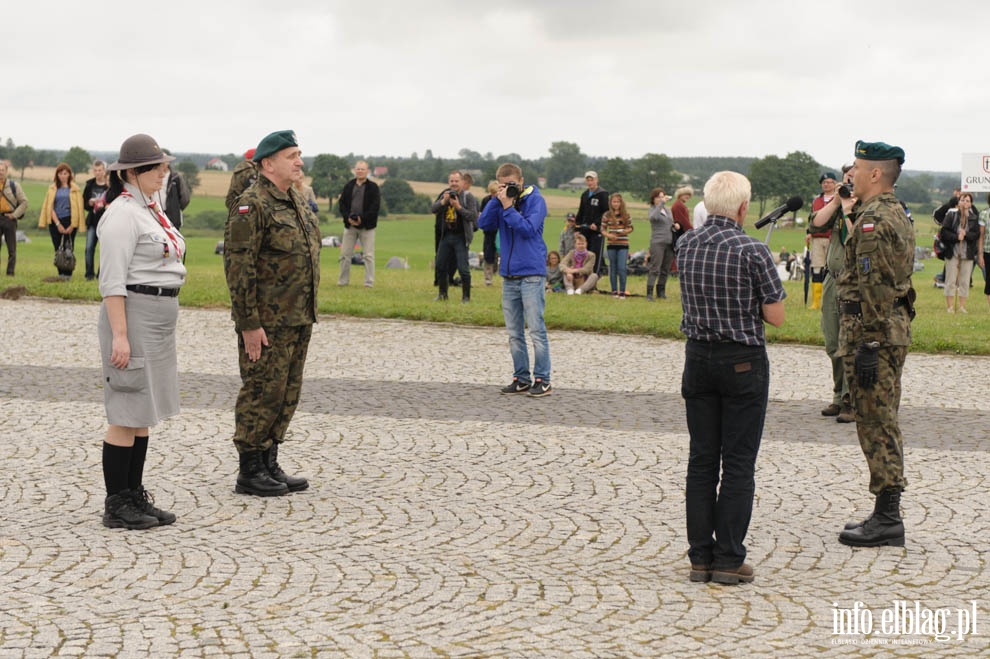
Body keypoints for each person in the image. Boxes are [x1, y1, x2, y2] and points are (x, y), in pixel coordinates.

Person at [679, 171, 785, 585]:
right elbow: (775, 317)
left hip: (698, 358)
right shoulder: (753, 250)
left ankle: (699, 558)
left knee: (702, 460)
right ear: (743, 208)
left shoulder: (686, 243)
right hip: (742, 361)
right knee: (738, 463)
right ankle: (728, 558)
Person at [224, 130, 321, 497]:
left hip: (298, 316)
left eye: (299, 154)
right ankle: (249, 469)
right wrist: (249, 323)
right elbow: (239, 268)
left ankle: (269, 460)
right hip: (267, 321)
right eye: (291, 155)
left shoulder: (293, 199)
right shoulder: (253, 204)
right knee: (262, 390)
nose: (299, 161)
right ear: (268, 164)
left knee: (286, 392)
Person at [97, 133, 187, 529]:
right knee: (125, 409)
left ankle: (135, 494)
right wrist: (120, 335)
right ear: (132, 173)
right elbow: (112, 282)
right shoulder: (121, 214)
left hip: (156, 317)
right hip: (131, 314)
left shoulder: (151, 208)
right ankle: (117, 504)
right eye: (156, 167)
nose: (163, 172)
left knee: (143, 411)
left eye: (164, 165)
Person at [836, 140, 914, 548]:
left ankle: (888, 518)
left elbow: (876, 287)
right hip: (886, 332)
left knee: (876, 421)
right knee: (881, 418)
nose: (851, 174)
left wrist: (867, 343)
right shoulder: (887, 212)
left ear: (876, 174)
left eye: (858, 168)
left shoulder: (875, 222)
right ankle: (885, 511)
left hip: (875, 335)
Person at [477, 162, 551, 397]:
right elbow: (483, 224)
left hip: (531, 274)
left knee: (536, 330)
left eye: (511, 184)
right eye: (503, 184)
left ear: (521, 181)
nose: (508, 188)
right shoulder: (500, 202)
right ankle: (521, 377)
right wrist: (496, 201)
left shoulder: (536, 200)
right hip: (509, 276)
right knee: (514, 333)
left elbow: (528, 229)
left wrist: (509, 207)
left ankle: (543, 379)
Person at [807, 165, 855, 424]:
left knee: (852, 344)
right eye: (848, 178)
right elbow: (816, 224)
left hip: (857, 284)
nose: (851, 183)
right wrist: (838, 199)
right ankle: (839, 395)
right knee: (833, 342)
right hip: (833, 279)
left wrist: (850, 206)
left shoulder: (870, 205)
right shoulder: (839, 202)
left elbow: (857, 236)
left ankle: (851, 398)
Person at [431, 170, 478, 302]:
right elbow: (433, 209)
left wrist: (458, 207)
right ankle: (442, 294)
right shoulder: (445, 195)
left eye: (456, 181)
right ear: (448, 182)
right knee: (440, 265)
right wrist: (443, 202)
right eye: (451, 181)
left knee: (463, 268)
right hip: (446, 236)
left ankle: (466, 297)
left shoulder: (468, 197)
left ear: (462, 182)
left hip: (461, 236)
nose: (454, 184)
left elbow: (473, 216)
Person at [337, 160, 381, 288]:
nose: (360, 171)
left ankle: (369, 283)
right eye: (358, 169)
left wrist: (362, 219)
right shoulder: (349, 186)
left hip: (367, 227)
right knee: (345, 255)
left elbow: (375, 207)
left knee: (368, 255)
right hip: (350, 226)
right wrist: (347, 218)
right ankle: (343, 281)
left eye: (362, 169)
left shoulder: (373, 187)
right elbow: (342, 204)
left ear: (367, 171)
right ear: (354, 170)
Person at [38, 163, 85, 279]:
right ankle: (60, 274)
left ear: (69, 175)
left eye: (65, 173)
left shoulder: (75, 189)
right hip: (55, 221)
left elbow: (78, 209)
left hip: (70, 221)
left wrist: (72, 225)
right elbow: (49, 207)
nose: (63, 176)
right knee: (58, 248)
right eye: (60, 173)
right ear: (57, 175)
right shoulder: (52, 189)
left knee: (68, 248)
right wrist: (57, 223)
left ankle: (68, 274)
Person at [939, 192, 979, 313]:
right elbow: (944, 232)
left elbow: (976, 234)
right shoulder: (951, 215)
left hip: (967, 254)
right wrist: (957, 237)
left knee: (965, 280)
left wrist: (966, 235)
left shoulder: (973, 218)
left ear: (970, 204)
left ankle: (961, 306)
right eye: (963, 200)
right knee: (950, 279)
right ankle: (950, 306)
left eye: (967, 201)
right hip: (953, 253)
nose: (965, 203)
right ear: (959, 202)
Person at [806, 173, 837, 309]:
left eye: (830, 182)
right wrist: (809, 233)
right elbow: (812, 219)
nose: (827, 184)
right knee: (817, 267)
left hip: (832, 238)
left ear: (835, 183)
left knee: (830, 269)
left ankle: (829, 299)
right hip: (817, 238)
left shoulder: (838, 199)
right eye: (824, 182)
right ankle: (816, 302)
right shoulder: (816, 201)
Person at [574, 171, 608, 279]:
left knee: (595, 255)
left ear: (597, 180)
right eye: (588, 180)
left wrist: (597, 224)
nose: (590, 182)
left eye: (592, 180)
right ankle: (583, 278)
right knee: (584, 254)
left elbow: (606, 212)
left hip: (596, 230)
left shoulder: (602, 194)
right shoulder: (584, 195)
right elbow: (581, 211)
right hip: (585, 229)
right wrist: (577, 227)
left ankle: (594, 278)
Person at [601, 192, 634, 297]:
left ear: (621, 203)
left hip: (623, 244)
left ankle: (622, 291)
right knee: (613, 267)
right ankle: (614, 290)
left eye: (618, 202)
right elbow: (602, 229)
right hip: (611, 244)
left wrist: (625, 231)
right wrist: (608, 235)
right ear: (611, 203)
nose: (616, 204)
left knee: (622, 267)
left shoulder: (626, 215)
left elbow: (631, 227)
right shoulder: (607, 215)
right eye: (614, 202)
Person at [83, 160, 111, 280]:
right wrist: (89, 203)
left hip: (106, 222)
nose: (98, 173)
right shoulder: (89, 185)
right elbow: (84, 204)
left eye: (100, 170)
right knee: (89, 248)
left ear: (104, 171)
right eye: (95, 170)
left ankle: (101, 274)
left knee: (104, 249)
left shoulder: (109, 186)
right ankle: (89, 274)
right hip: (93, 221)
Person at [0, 161, 28, 276]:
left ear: (6, 172)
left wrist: (14, 215)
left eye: (2, 170)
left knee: (12, 249)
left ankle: (10, 273)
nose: (0, 172)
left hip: (9, 218)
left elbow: (24, 202)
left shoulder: (13, 185)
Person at [646, 187, 674, 300]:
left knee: (665, 268)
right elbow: (653, 218)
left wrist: (674, 225)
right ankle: (649, 292)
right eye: (658, 197)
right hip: (657, 242)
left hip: (669, 241)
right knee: (655, 268)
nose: (661, 199)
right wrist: (661, 204)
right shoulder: (652, 209)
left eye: (662, 196)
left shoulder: (667, 210)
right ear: (653, 199)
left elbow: (669, 222)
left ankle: (661, 291)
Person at [153, 157, 191, 230]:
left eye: (164, 161)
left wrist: (175, 208)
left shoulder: (176, 178)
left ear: (168, 163)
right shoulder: (152, 176)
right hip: (155, 213)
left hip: (172, 217)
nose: (162, 164)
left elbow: (185, 198)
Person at [479, 181, 500, 285]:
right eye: (492, 193)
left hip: (500, 232)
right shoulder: (485, 201)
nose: (494, 195)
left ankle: (504, 275)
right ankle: (488, 278)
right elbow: (481, 215)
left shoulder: (503, 201)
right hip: (488, 232)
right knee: (488, 255)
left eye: (495, 192)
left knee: (501, 254)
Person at [225, 148, 259, 212]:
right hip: (243, 205)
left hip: (234, 203)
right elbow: (253, 191)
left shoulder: (240, 168)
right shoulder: (250, 171)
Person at [980, 194, 990, 310]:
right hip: (988, 251)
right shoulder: (984, 214)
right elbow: (981, 236)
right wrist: (980, 253)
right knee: (989, 279)